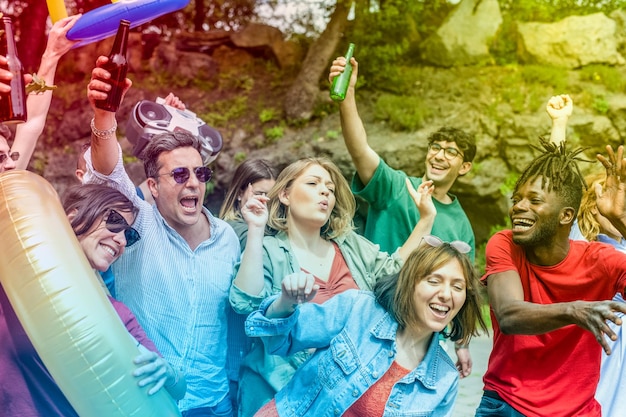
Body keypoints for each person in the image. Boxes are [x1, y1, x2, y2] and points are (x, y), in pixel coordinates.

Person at [84, 56, 240, 416]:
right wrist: (105, 114)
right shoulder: (137, 222)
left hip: (214, 402)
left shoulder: (228, 237)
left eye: (201, 174)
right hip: (143, 400)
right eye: (179, 174)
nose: (193, 182)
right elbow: (108, 173)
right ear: (152, 186)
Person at [230, 156, 438, 416]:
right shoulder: (270, 249)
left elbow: (394, 272)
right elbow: (244, 302)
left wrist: (426, 219)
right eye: (313, 183)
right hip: (276, 392)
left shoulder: (349, 244)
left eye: (329, 188)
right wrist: (256, 230)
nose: (325, 192)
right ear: (284, 194)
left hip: (337, 398)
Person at [329, 55, 477, 374]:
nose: (439, 155)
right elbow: (360, 149)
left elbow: (463, 288)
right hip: (369, 314)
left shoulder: (462, 226)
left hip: (418, 336)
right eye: (435, 147)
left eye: (451, 152)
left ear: (464, 167)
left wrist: (461, 344)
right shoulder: (396, 187)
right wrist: (347, 95)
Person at [0, 183, 186, 416]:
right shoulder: (13, 277)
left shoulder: (115, 314)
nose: (122, 241)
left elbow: (178, 388)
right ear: (73, 217)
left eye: (128, 234)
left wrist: (169, 372)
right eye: (115, 222)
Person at [247, 237, 487, 417]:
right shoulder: (359, 309)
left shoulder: (444, 379)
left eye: (458, 287)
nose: (446, 294)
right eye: (434, 281)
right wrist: (286, 301)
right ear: (410, 284)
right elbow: (279, 339)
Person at [475, 139, 626, 417]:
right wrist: (575, 310)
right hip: (507, 404)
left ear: (566, 215)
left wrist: (621, 222)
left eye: (534, 200)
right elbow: (509, 315)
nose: (518, 206)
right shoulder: (505, 244)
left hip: (577, 411)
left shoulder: (602, 260)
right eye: (517, 199)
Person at [218, 158, 278, 415]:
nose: (266, 201)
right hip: (236, 351)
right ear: (241, 191)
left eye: (271, 196)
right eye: (260, 193)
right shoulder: (233, 229)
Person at [0, 15, 79, 174]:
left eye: (10, 155)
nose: (11, 165)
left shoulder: (8, 178)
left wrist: (52, 54)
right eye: (0, 157)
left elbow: (31, 123)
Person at [219, 158, 278, 248]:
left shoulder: (273, 223)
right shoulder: (231, 229)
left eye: (271, 195)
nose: (265, 200)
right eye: (258, 194)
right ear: (240, 193)